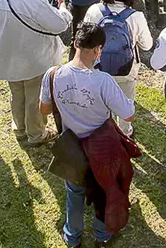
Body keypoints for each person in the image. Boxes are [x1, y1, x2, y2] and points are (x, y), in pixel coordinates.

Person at [40, 23, 135, 248]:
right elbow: (128, 115)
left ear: (75, 44)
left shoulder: (52, 75)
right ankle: (102, 235)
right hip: (101, 147)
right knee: (104, 189)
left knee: (74, 191)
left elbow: (44, 109)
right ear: (98, 50)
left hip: (71, 145)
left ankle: (72, 237)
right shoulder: (102, 80)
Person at [0, 0, 70, 146]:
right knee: (34, 97)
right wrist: (63, 8)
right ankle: (36, 134)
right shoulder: (35, 1)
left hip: (7, 56)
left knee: (17, 94)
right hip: (33, 58)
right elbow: (59, 25)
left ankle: (20, 128)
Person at [83, 0, 153, 136]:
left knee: (99, 99)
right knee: (126, 100)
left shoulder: (94, 11)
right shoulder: (136, 16)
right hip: (126, 68)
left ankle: (100, 129)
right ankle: (124, 131)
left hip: (98, 66)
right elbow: (147, 45)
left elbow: (85, 37)